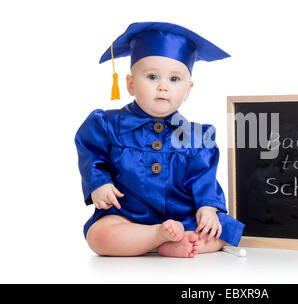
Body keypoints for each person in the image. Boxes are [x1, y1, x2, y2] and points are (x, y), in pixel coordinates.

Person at [75, 22, 245, 257]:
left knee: (220, 231)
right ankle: (157, 237)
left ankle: (171, 241)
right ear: (131, 84)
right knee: (99, 235)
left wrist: (208, 208)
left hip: (182, 216)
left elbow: (204, 178)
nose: (163, 86)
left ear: (188, 90)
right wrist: (99, 183)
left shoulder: (196, 137)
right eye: (152, 76)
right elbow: (91, 153)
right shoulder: (107, 126)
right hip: (126, 215)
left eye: (174, 79)